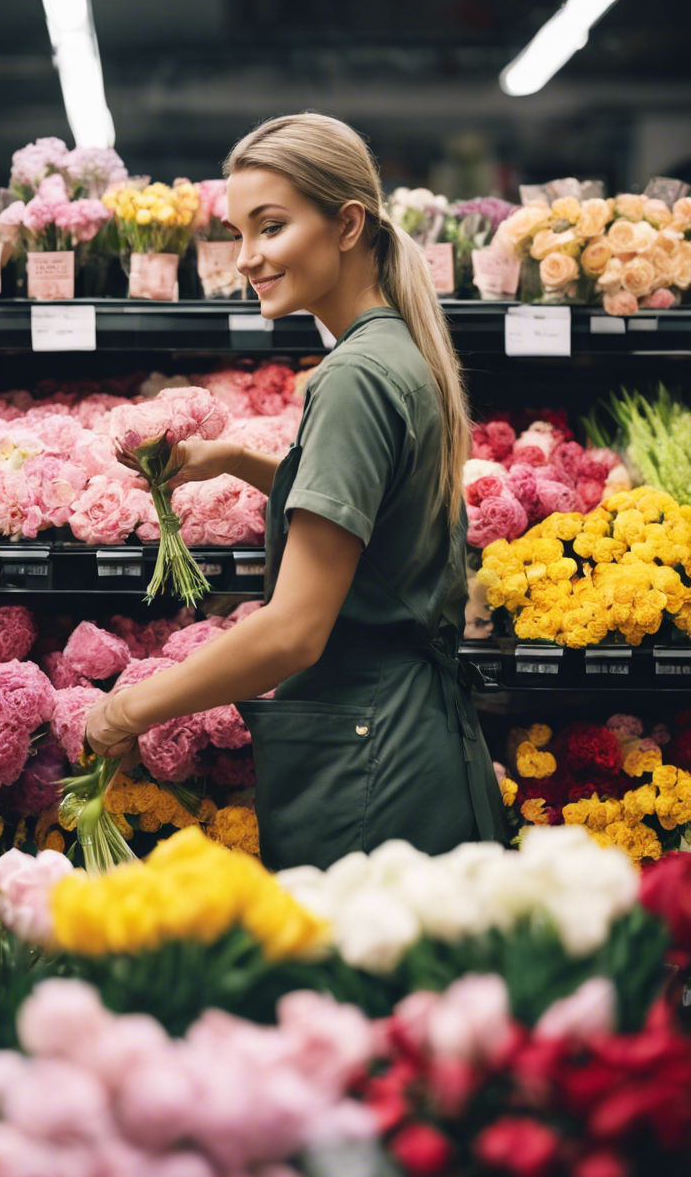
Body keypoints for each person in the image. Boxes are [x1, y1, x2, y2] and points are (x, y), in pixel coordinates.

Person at [85, 112, 507, 869]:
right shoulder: (396, 351)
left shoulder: (351, 378)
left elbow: (292, 632)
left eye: (269, 228)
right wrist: (239, 461)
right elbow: (376, 519)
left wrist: (124, 711)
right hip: (417, 734)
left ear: (347, 225)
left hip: (373, 755)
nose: (246, 258)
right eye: (239, 232)